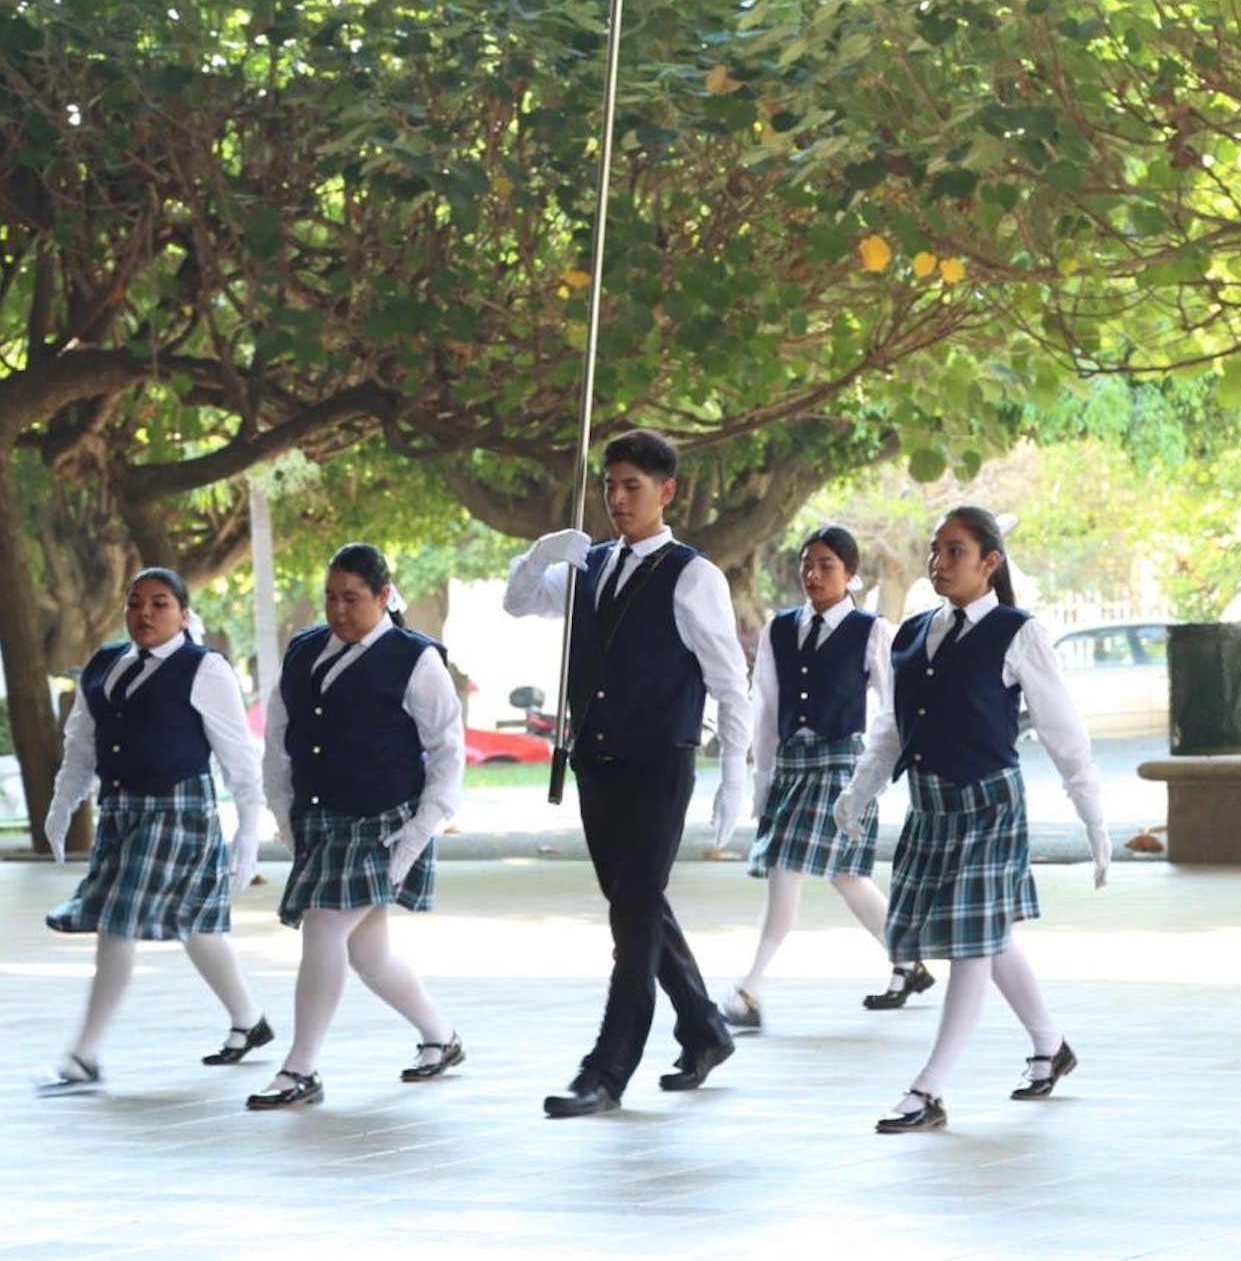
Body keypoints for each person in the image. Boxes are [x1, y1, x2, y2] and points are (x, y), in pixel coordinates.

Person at [834, 507, 1109, 1133]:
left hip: (989, 807)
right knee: (985, 934)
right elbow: (892, 729)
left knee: (969, 946)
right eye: (935, 551)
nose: (939, 563)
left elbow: (1066, 735)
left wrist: (1094, 819)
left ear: (990, 562)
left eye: (955, 551)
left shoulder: (1019, 633)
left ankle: (927, 1089)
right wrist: (859, 791)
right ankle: (1050, 1045)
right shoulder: (910, 633)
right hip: (931, 808)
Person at [505, 429, 751, 1118]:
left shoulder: (692, 574)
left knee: (632, 917)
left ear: (665, 491)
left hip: (657, 764)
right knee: (638, 905)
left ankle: (607, 1068)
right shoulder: (590, 564)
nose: (616, 498)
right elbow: (519, 602)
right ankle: (703, 1026)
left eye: (632, 486)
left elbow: (731, 682)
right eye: (610, 484)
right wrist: (538, 555)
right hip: (597, 763)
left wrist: (735, 774)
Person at [248, 543, 466, 1110]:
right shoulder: (302, 652)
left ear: (384, 596)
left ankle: (300, 1069)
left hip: (382, 818)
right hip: (319, 815)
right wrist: (281, 808)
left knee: (323, 930)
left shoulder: (415, 659)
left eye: (352, 598)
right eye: (330, 598)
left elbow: (447, 749)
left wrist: (422, 830)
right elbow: (279, 738)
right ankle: (440, 1037)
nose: (338, 610)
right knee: (367, 951)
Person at [39, 567, 272, 1093]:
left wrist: (248, 834)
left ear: (184, 614)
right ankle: (249, 1020)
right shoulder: (103, 665)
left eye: (160, 603)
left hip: (178, 813)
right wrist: (61, 806)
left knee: (118, 921)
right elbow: (82, 747)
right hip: (121, 813)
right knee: (195, 924)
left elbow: (239, 759)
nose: (145, 614)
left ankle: (83, 1056)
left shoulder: (204, 667)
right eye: (135, 603)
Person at [721, 524, 913, 1032]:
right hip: (793, 766)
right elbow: (764, 708)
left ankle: (749, 989)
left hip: (844, 765)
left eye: (827, 565)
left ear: (851, 576)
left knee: (815, 871)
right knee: (834, 876)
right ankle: (907, 959)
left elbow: (893, 710)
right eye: (808, 563)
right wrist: (762, 780)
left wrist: (875, 775)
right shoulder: (779, 629)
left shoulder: (873, 631)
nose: (813, 574)